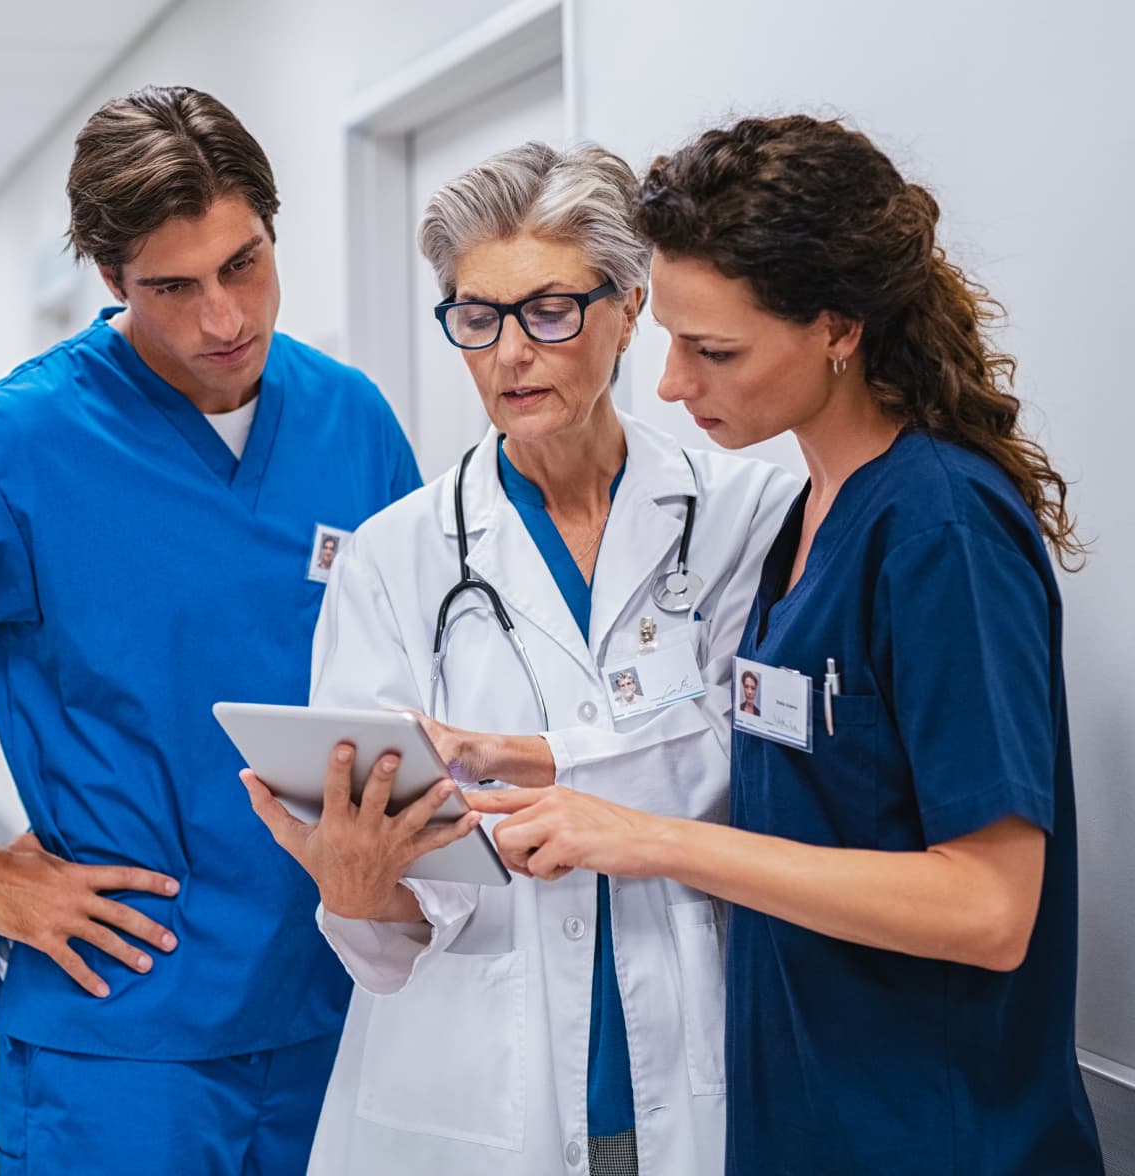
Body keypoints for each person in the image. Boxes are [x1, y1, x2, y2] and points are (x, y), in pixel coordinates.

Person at [468, 116, 1105, 1174]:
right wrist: (559, 766)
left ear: (837, 329)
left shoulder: (937, 529)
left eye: (713, 350)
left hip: (938, 1139)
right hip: (807, 1125)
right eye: (669, 338)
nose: (671, 384)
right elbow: (807, 781)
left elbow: (990, 907)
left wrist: (649, 841)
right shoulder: (804, 512)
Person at [244, 141, 799, 1176]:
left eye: (550, 311)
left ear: (632, 305)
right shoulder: (394, 560)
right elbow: (388, 912)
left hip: (700, 1046)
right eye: (477, 316)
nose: (509, 353)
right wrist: (361, 890)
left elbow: (755, 771)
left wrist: (547, 762)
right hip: (479, 1080)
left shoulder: (747, 519)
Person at [0, 86, 420, 1175]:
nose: (225, 318)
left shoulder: (351, 418)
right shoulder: (12, 448)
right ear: (112, 279)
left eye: (244, 264)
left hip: (351, 998)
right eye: (173, 287)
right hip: (126, 1035)